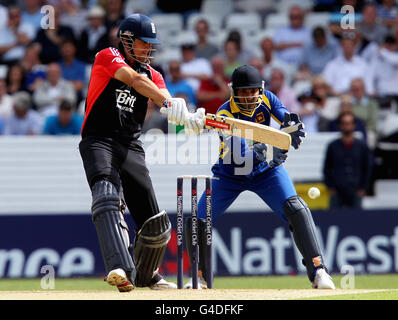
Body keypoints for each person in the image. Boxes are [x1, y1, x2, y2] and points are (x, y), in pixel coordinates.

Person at [78, 13, 204, 292]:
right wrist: (169, 101)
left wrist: (189, 118)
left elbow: (168, 103)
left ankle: (147, 276)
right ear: (126, 40)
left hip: (131, 145)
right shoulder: (107, 56)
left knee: (156, 224)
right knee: (107, 196)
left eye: (151, 44)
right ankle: (119, 267)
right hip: (99, 140)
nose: (149, 49)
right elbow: (133, 80)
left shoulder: (155, 74)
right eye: (144, 43)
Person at [183, 65, 335, 290]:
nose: (249, 96)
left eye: (253, 91)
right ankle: (200, 277)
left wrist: (291, 127)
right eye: (243, 92)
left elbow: (286, 118)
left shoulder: (267, 98)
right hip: (230, 174)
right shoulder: (225, 114)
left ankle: (318, 271)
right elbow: (240, 155)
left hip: (266, 172)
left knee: (296, 209)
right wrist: (271, 148)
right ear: (233, 91)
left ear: (260, 89)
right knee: (198, 219)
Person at [323, 111, 373, 209]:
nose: (347, 126)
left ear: (354, 125)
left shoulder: (361, 146)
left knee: (357, 220)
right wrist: (331, 187)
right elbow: (326, 168)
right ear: (340, 125)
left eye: (349, 123)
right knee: (333, 218)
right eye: (344, 123)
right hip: (337, 190)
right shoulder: (332, 146)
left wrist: (363, 188)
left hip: (356, 189)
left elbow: (367, 167)